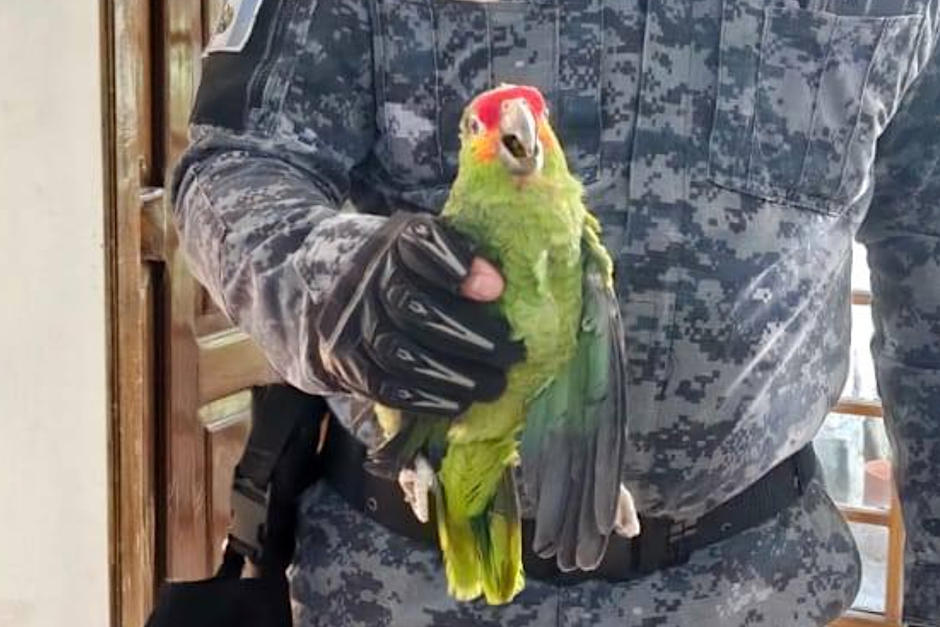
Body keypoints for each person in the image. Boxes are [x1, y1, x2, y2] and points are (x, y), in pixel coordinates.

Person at [171, 0, 940, 624]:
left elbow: (929, 264)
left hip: (759, 588)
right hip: (410, 585)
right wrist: (332, 284)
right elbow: (232, 165)